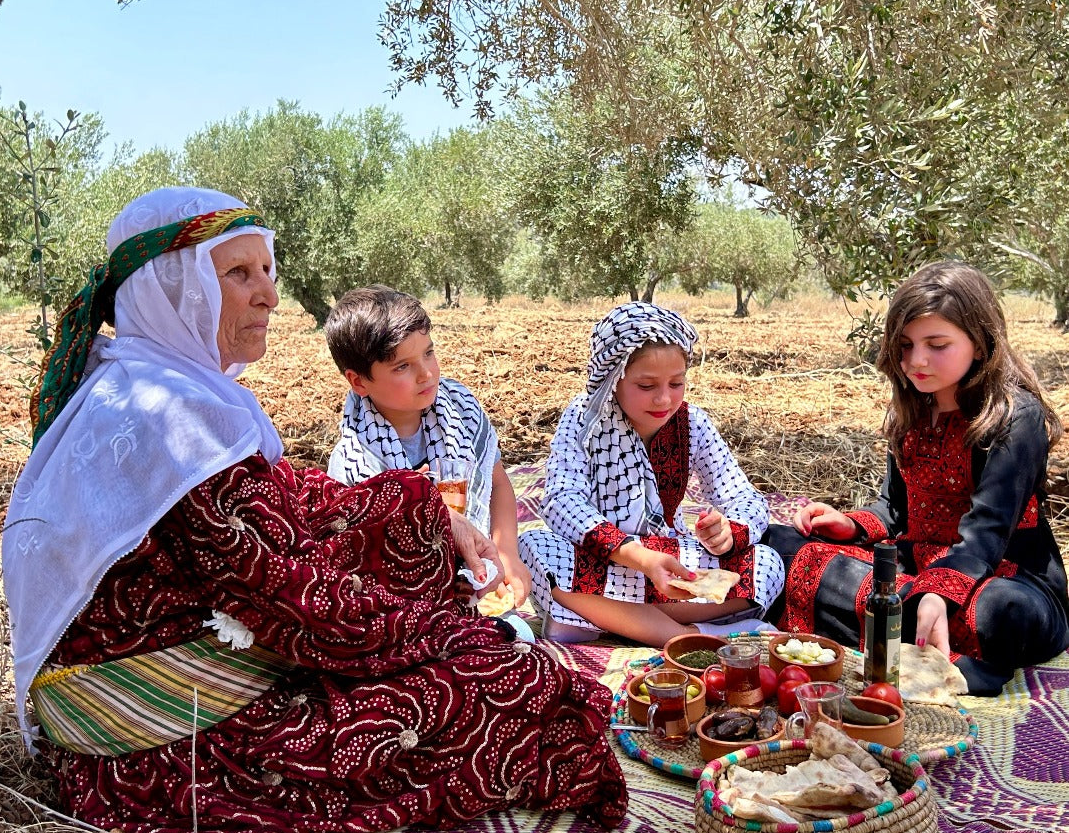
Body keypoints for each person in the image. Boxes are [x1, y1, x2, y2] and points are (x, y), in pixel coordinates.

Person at [2, 187, 627, 833]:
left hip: (193, 678)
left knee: (411, 519)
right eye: (238, 273)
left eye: (266, 270)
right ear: (171, 289)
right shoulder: (168, 423)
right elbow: (304, 608)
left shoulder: (151, 389)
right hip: (172, 746)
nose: (269, 294)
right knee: (518, 684)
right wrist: (462, 636)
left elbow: (290, 497)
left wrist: (430, 514)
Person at [767, 261, 1069, 695]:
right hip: (915, 563)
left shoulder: (1014, 417)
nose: (916, 360)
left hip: (1000, 575)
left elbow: (987, 534)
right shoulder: (911, 410)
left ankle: (902, 625)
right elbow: (894, 508)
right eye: (906, 345)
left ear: (981, 344)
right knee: (780, 543)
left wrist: (941, 592)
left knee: (1004, 612)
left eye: (937, 344)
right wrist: (850, 525)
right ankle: (916, 628)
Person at [519, 301, 785, 647]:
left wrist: (729, 533)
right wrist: (638, 557)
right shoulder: (585, 419)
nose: (664, 399)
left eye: (676, 383)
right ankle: (692, 637)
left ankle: (603, 620)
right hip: (605, 558)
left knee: (767, 563)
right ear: (613, 379)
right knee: (532, 547)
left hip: (669, 563)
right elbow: (561, 501)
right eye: (646, 386)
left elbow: (742, 497)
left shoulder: (693, 423)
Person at [324, 285, 533, 634]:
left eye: (429, 353)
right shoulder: (355, 464)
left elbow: (496, 482)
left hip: (479, 573)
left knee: (536, 555)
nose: (426, 374)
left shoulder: (460, 409)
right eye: (403, 366)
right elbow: (371, 566)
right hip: (414, 598)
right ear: (359, 382)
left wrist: (506, 552)